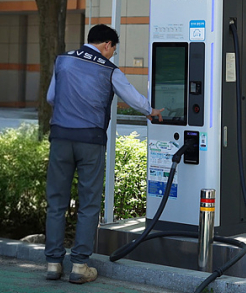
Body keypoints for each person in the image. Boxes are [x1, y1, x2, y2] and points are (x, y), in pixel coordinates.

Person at [44, 24, 163, 284]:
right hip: (90, 140)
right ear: (107, 44)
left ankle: (53, 263)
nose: (112, 54)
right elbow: (131, 96)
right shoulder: (109, 69)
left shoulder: (63, 61)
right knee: (88, 204)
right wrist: (151, 111)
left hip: (61, 137)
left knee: (56, 202)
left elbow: (51, 97)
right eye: (113, 50)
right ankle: (79, 266)